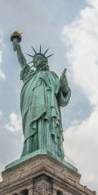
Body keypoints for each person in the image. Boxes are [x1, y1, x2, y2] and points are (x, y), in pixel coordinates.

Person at [11, 31, 70, 160]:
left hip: (48, 109)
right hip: (32, 107)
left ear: (45, 61)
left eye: (39, 59)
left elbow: (61, 97)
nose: (37, 60)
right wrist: (18, 47)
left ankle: (49, 149)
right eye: (35, 59)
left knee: (46, 127)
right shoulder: (29, 75)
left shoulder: (52, 76)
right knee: (33, 129)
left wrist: (64, 85)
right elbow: (23, 63)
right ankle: (31, 150)